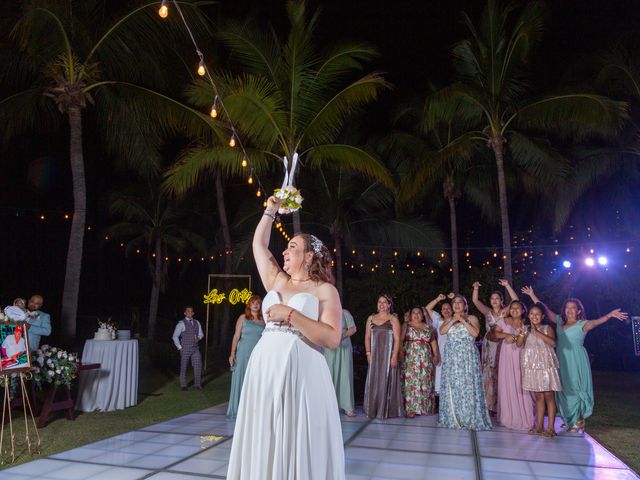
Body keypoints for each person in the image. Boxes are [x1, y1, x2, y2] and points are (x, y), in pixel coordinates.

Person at [227, 195, 344, 479]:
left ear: (309, 256)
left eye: (292, 247)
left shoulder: (324, 290)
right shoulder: (277, 280)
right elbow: (259, 245)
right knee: (265, 431)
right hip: (264, 369)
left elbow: (331, 339)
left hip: (302, 373)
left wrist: (290, 315)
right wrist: (270, 210)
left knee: (295, 434)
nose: (285, 252)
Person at [522, 286, 627, 433]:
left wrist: (609, 315)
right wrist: (532, 295)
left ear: (578, 311)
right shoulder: (559, 321)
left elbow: (596, 322)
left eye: (573, 308)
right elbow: (544, 309)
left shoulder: (582, 324)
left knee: (575, 388)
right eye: (567, 308)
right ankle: (569, 419)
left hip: (576, 359)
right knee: (563, 389)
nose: (570, 310)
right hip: (560, 359)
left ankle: (579, 420)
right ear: (564, 310)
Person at [438, 294, 492, 431]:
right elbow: (442, 331)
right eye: (454, 302)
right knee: (454, 386)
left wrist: (462, 320)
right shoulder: (448, 319)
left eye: (459, 302)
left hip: (467, 357)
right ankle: (454, 417)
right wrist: (452, 321)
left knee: (468, 386)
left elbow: (475, 333)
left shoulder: (471, 318)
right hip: (452, 358)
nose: (456, 305)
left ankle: (469, 417)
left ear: (465, 305)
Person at [472, 279, 518, 414]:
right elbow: (475, 301)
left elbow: (515, 300)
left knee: (501, 372)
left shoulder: (505, 311)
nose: (494, 300)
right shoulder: (487, 312)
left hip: (502, 344)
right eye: (492, 298)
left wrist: (507, 285)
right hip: (489, 345)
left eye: (497, 298)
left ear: (501, 300)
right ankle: (489, 405)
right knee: (489, 373)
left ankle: (502, 405)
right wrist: (476, 288)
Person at [521, 303, 561, 436]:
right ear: (528, 316)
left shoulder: (547, 327)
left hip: (545, 366)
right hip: (533, 366)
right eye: (532, 314)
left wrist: (537, 332)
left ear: (542, 316)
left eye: (537, 314)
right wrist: (521, 334)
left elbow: (553, 343)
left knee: (549, 395)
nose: (534, 316)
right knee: (538, 396)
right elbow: (519, 344)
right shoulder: (526, 329)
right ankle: (539, 426)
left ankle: (551, 428)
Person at [493, 300, 534, 431]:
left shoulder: (527, 324)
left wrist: (516, 338)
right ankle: (508, 417)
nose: (514, 310)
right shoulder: (503, 321)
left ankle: (525, 417)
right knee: (508, 383)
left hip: (521, 356)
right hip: (507, 357)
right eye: (512, 308)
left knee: (521, 384)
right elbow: (495, 333)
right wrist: (508, 335)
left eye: (518, 308)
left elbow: (525, 341)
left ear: (523, 311)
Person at [363, 294, 403, 419]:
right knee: (374, 380)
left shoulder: (393, 319)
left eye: (385, 302)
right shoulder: (371, 318)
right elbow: (367, 337)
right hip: (375, 355)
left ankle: (385, 410)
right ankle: (373, 409)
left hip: (388, 356)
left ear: (389, 305)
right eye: (379, 302)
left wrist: (394, 356)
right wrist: (368, 353)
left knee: (386, 379)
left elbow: (397, 340)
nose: (381, 304)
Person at [226, 295, 265, 417]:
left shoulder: (264, 321)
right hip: (242, 352)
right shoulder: (243, 318)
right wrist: (232, 353)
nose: (255, 305)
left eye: (258, 303)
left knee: (255, 381)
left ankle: (252, 411)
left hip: (257, 354)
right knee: (240, 378)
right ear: (249, 305)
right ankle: (236, 410)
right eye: (253, 303)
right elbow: (236, 336)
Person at [401, 306, 440, 417]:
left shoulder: (428, 327)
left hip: (426, 359)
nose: (416, 315)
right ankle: (411, 409)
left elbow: (433, 341)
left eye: (419, 313)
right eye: (414, 312)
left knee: (425, 380)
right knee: (411, 382)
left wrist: (436, 355)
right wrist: (400, 355)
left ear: (423, 315)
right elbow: (400, 341)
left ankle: (425, 407)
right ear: (410, 315)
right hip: (410, 358)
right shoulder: (406, 326)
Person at [324, 308, 357, 417]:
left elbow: (353, 329)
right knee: (329, 374)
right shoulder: (324, 312)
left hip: (343, 346)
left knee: (344, 375)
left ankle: (347, 407)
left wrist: (341, 336)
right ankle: (329, 406)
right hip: (329, 346)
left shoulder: (344, 312)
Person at [425, 293, 453, 398]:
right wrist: (438, 299)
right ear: (441, 311)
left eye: (448, 308)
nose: (446, 310)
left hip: (454, 351)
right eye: (443, 309)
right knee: (440, 374)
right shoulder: (438, 320)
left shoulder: (457, 320)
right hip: (441, 351)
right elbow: (427, 308)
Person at [172, 306, 204, 391]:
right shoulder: (181, 323)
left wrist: (199, 338)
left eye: (191, 311)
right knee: (184, 366)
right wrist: (179, 347)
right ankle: (183, 385)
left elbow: (201, 334)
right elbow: (175, 336)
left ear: (193, 313)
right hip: (185, 348)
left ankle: (197, 384)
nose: (190, 312)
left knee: (198, 365)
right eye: (188, 311)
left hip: (195, 348)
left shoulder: (197, 322)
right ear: (185, 313)